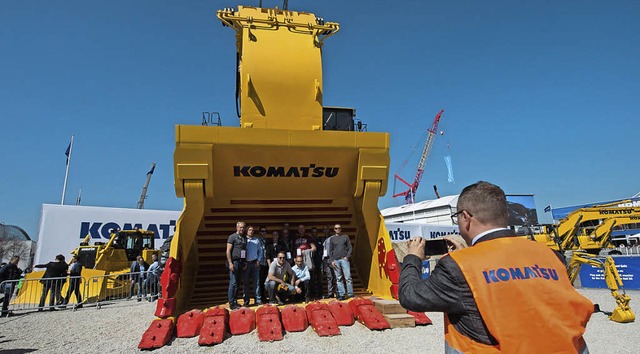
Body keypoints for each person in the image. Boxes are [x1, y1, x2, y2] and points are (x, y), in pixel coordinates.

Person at [398, 181, 594, 353]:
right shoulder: (551, 255)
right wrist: (466, 254)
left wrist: (413, 257)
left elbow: (410, 296)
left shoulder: (458, 267)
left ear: (466, 217)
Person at [328, 224, 353, 300]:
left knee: (348, 277)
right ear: (334, 229)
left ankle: (350, 294)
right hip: (336, 260)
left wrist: (347, 257)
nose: (337, 229)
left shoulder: (345, 237)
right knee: (338, 278)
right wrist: (332, 260)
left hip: (344, 259)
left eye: (339, 228)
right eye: (336, 228)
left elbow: (350, 247)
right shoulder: (332, 239)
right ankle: (342, 294)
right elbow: (330, 250)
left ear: (341, 229)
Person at [226, 221, 247, 310]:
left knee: (238, 283)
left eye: (243, 227)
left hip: (241, 262)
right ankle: (231, 303)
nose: (241, 229)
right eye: (240, 227)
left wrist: (244, 262)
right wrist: (230, 263)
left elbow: (244, 251)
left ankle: (235, 301)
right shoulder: (232, 237)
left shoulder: (244, 238)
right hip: (234, 262)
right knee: (233, 283)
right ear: (237, 228)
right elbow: (228, 250)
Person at [243, 225, 263, 306]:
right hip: (246, 263)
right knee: (246, 283)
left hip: (255, 263)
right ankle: (246, 300)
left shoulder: (256, 240)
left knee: (256, 282)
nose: (251, 231)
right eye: (250, 230)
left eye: (252, 230)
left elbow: (260, 251)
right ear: (247, 231)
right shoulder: (244, 240)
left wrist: (259, 260)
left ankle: (258, 299)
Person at [257, 226, 269, 301]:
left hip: (266, 264)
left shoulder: (267, 241)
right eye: (262, 231)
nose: (264, 233)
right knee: (259, 281)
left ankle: (264, 297)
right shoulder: (257, 240)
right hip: (260, 263)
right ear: (259, 232)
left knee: (264, 281)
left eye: (265, 231)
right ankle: (260, 298)